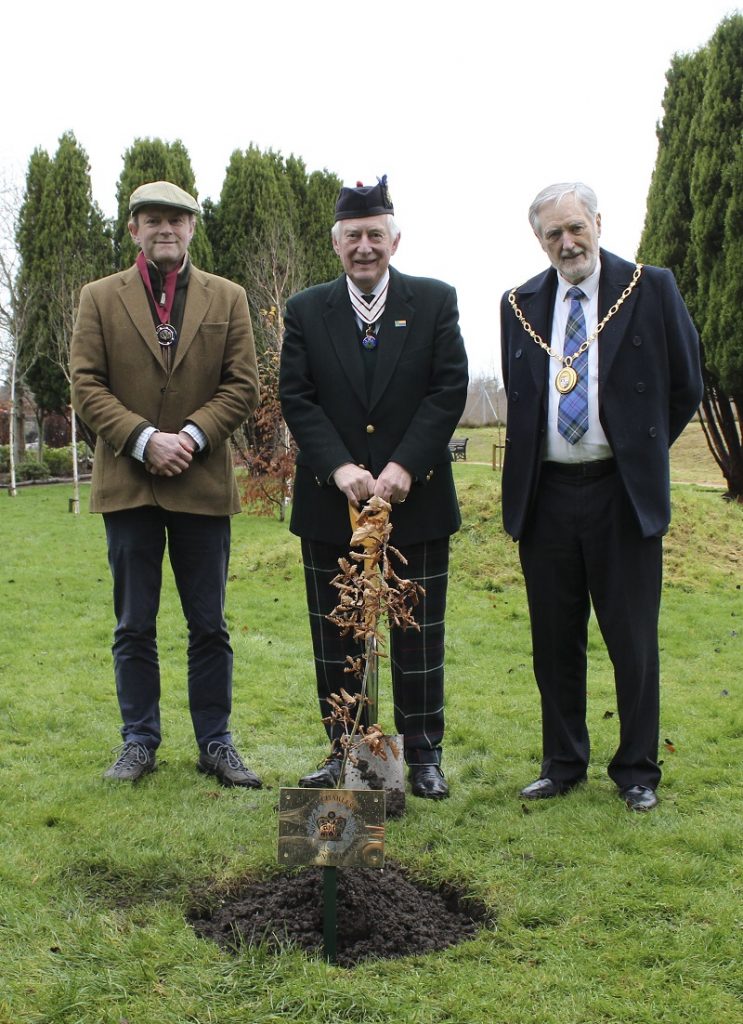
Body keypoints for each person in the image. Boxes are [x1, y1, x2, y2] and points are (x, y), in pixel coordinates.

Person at [500, 182, 703, 811]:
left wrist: (639, 450)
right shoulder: (518, 303)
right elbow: (524, 399)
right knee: (554, 640)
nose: (568, 243)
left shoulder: (651, 288)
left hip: (622, 493)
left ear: (597, 222)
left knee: (631, 638)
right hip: (548, 496)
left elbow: (687, 384)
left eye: (576, 228)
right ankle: (562, 763)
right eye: (553, 234)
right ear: (539, 240)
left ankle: (638, 770)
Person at [279, 177, 468, 799]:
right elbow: (297, 398)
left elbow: (447, 391)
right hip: (331, 503)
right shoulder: (307, 310)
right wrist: (339, 469)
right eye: (353, 236)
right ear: (336, 243)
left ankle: (422, 756)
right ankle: (345, 752)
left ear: (395, 238)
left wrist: (404, 468)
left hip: (416, 501)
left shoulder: (435, 301)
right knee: (337, 635)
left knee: (417, 635)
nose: (365, 247)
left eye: (375, 235)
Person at [71, 181, 262, 787]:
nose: (166, 229)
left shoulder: (228, 298)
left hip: (202, 484)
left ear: (192, 228)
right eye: (152, 220)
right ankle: (139, 742)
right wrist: (145, 440)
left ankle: (215, 741)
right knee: (134, 625)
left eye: (177, 220)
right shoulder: (98, 298)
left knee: (210, 625)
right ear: (132, 229)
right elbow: (85, 386)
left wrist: (191, 437)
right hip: (128, 484)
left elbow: (242, 386)